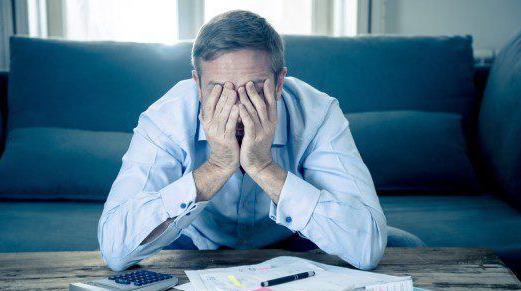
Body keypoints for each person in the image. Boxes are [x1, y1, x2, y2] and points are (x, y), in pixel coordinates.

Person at [98, 10, 425, 272]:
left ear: (280, 81)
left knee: (403, 246)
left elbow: (366, 248)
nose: (237, 106)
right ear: (197, 84)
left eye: (254, 87)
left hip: (293, 240)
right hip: (194, 243)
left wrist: (262, 165)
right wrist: (216, 166)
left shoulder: (318, 112)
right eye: (219, 89)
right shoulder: (165, 118)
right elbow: (114, 248)